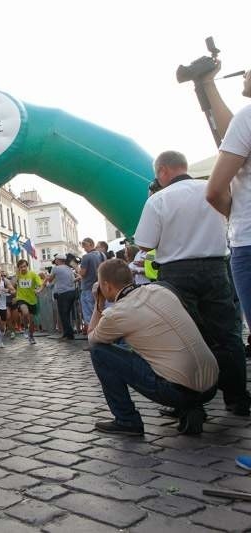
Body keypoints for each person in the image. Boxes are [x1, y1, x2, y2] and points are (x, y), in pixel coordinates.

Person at [135, 150, 250, 416]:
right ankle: (237, 398)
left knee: (183, 337)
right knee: (227, 334)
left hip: (177, 273)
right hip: (216, 268)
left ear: (163, 171)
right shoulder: (214, 188)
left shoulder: (159, 199)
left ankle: (188, 401)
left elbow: (145, 243)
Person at [88, 259, 218, 435]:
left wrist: (98, 303)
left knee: (99, 352)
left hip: (176, 391)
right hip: (211, 386)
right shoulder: (162, 289)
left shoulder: (116, 314)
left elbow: (92, 339)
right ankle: (191, 406)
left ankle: (127, 420)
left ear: (106, 285)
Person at [204, 69, 251, 348]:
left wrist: (234, 215)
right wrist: (208, 84)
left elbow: (213, 191)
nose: (245, 73)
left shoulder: (247, 118)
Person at [45, 253, 78, 340]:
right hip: (72, 292)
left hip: (63, 294)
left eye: (56, 259)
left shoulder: (56, 268)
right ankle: (67, 334)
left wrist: (46, 276)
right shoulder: (68, 268)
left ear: (58, 260)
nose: (55, 261)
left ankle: (69, 334)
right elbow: (73, 279)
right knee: (67, 314)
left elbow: (50, 279)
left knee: (64, 315)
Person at [77, 237, 105, 333]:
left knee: (90, 315)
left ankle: (93, 339)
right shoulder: (102, 255)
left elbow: (82, 273)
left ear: (90, 244)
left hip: (88, 288)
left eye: (84, 246)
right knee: (99, 312)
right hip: (100, 286)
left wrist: (76, 267)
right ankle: (101, 336)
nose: (84, 248)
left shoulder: (86, 257)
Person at [14, 259, 43, 344]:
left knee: (32, 320)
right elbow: (12, 285)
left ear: (27, 266)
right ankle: (25, 328)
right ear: (18, 268)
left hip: (32, 300)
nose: (23, 268)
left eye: (24, 266)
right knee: (25, 312)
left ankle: (31, 336)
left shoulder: (33, 274)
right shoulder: (18, 275)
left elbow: (40, 285)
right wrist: (16, 276)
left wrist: (38, 290)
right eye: (21, 267)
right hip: (21, 298)